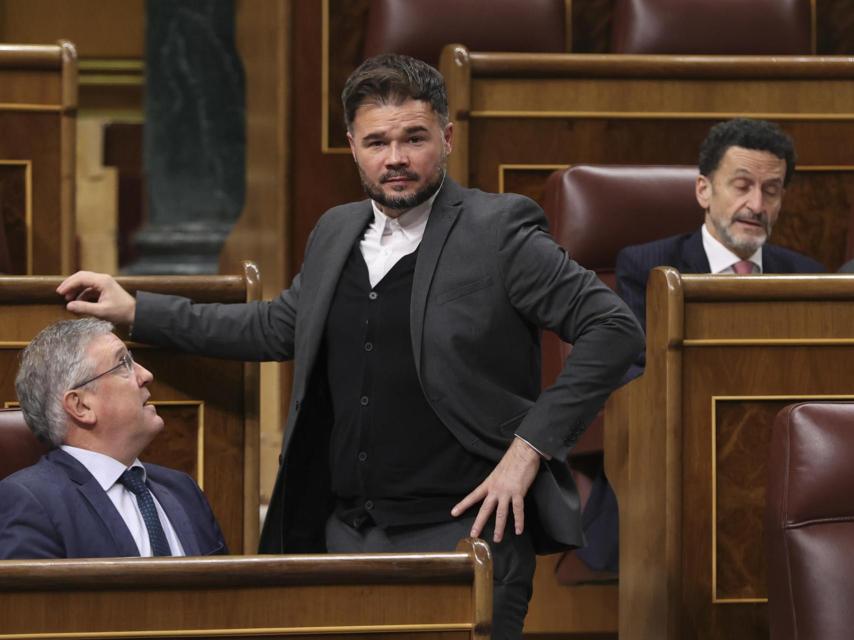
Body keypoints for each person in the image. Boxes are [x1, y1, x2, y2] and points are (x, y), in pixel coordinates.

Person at [57, 53, 643, 637]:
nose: (396, 159)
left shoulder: (500, 231)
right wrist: (139, 310)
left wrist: (529, 448)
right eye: (376, 142)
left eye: (414, 138)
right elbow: (275, 326)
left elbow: (615, 331)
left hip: (465, 533)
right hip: (342, 536)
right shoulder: (336, 230)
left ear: (447, 137)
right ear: (352, 146)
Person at [0, 318, 227, 559]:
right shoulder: (30, 501)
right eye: (123, 364)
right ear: (81, 405)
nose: (146, 375)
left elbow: (228, 593)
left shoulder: (182, 489)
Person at [617, 117, 824, 378]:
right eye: (742, 187)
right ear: (704, 190)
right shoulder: (647, 269)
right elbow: (638, 376)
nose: (757, 206)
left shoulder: (807, 276)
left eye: (771, 191)